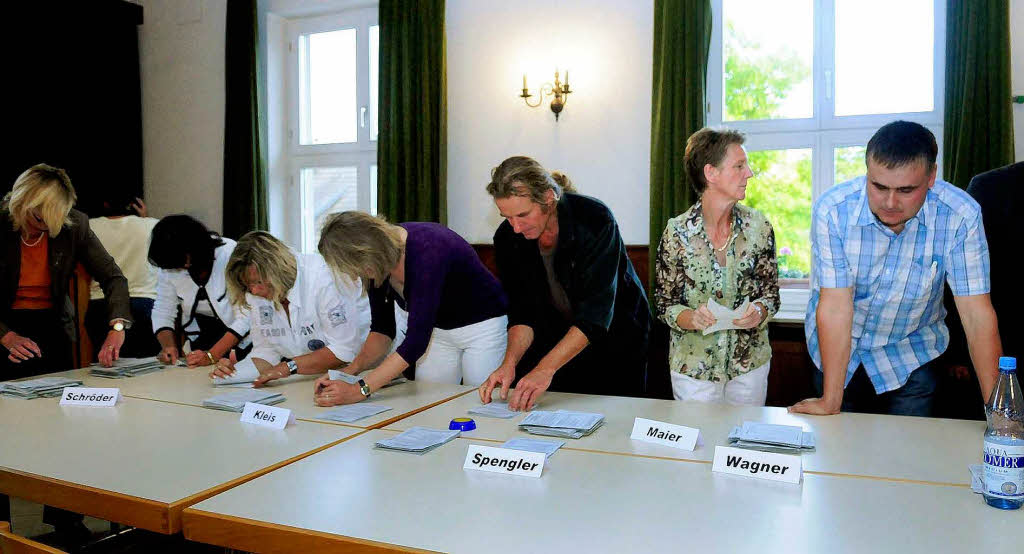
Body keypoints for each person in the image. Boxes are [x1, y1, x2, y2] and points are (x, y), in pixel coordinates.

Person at [790, 121, 1002, 417]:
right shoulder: (833, 211)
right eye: (879, 186)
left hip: (912, 355)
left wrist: (1000, 415)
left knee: (908, 459)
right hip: (839, 355)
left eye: (905, 190)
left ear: (931, 178)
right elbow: (836, 307)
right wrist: (830, 400)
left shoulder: (960, 216)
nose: (890, 202)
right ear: (867, 173)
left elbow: (976, 314)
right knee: (838, 452)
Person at [0, 163, 132, 543]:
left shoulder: (75, 225)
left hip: (49, 328)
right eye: (40, 218)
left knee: (57, 430)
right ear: (23, 203)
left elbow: (114, 277)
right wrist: (7, 338)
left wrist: (117, 327)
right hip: (3, 328)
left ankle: (65, 519)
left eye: (54, 221)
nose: (47, 227)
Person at [478, 156, 650, 411]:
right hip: (557, 337)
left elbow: (595, 314)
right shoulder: (507, 237)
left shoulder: (594, 218)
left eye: (523, 215)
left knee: (613, 419)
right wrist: (509, 363)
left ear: (548, 199)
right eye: (507, 217)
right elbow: (523, 313)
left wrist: (545, 368)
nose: (515, 227)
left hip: (616, 337)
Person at [311, 211, 509, 405]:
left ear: (367, 249)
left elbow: (415, 343)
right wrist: (349, 373)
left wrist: (360, 390)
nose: (358, 275)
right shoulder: (376, 263)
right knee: (429, 404)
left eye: (357, 268)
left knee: (482, 400)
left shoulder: (429, 247)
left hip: (483, 326)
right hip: (438, 331)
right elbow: (382, 330)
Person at [654, 128, 780, 405]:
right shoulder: (677, 233)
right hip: (693, 368)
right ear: (711, 173)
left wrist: (758, 311)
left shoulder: (760, 227)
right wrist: (691, 318)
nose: (749, 173)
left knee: (743, 444)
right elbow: (664, 305)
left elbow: (771, 295)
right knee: (697, 447)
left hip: (750, 367)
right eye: (739, 166)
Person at [208, 231, 370, 386]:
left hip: (368, 371)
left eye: (258, 282)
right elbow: (266, 350)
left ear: (277, 271)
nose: (254, 291)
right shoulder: (257, 293)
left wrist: (287, 367)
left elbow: (344, 350)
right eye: (248, 285)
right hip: (313, 379)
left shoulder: (323, 278)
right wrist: (234, 372)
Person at [148, 215, 250, 366]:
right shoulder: (169, 266)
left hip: (241, 337)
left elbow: (246, 316)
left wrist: (211, 355)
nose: (179, 269)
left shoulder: (230, 255)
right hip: (203, 335)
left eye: (180, 263)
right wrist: (168, 346)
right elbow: (163, 309)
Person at [85, 195, 161, 359]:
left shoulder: (89, 225)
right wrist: (144, 218)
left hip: (102, 303)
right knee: (146, 367)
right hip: (144, 302)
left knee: (105, 366)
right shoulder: (152, 225)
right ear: (133, 204)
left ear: (104, 204)